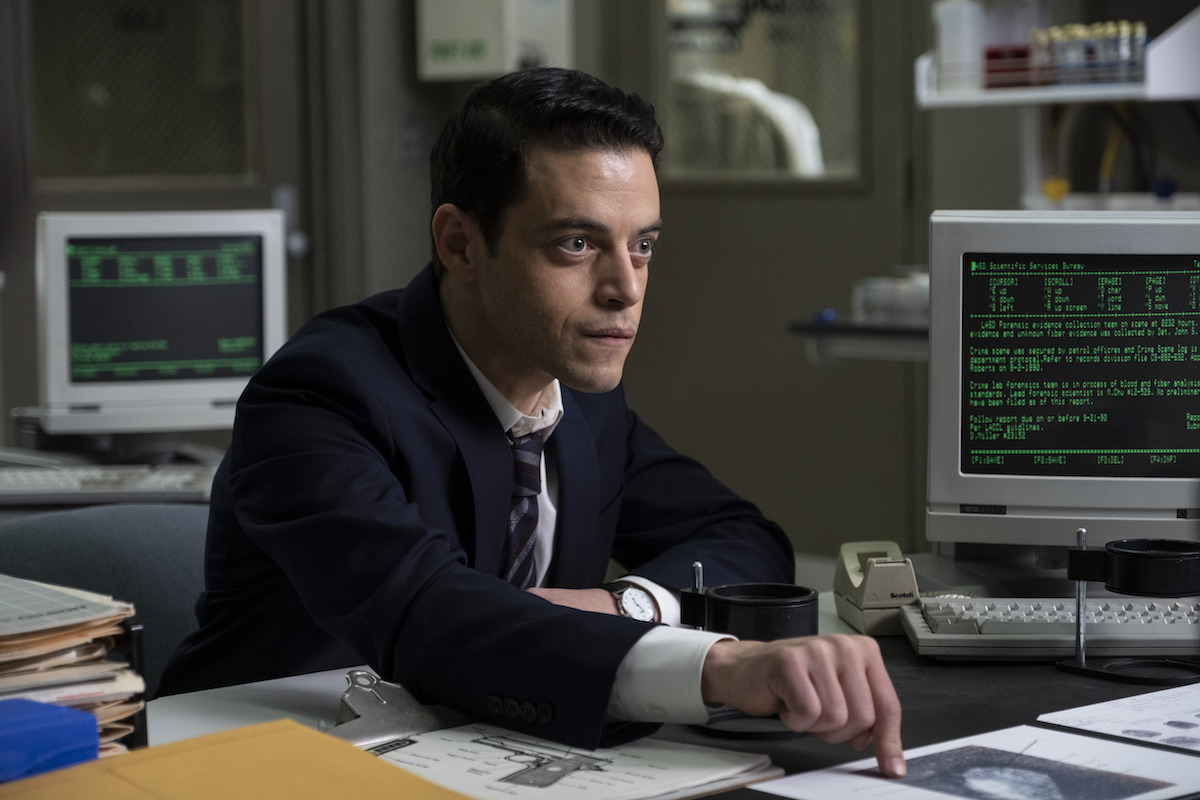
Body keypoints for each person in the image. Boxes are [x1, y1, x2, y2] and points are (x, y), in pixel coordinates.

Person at [159, 66, 905, 778]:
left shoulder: (579, 390)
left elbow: (746, 542)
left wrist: (627, 603)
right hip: (262, 761)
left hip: (488, 753)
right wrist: (712, 664)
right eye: (576, 244)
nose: (624, 289)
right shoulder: (318, 394)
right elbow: (428, 613)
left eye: (642, 245)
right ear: (460, 244)